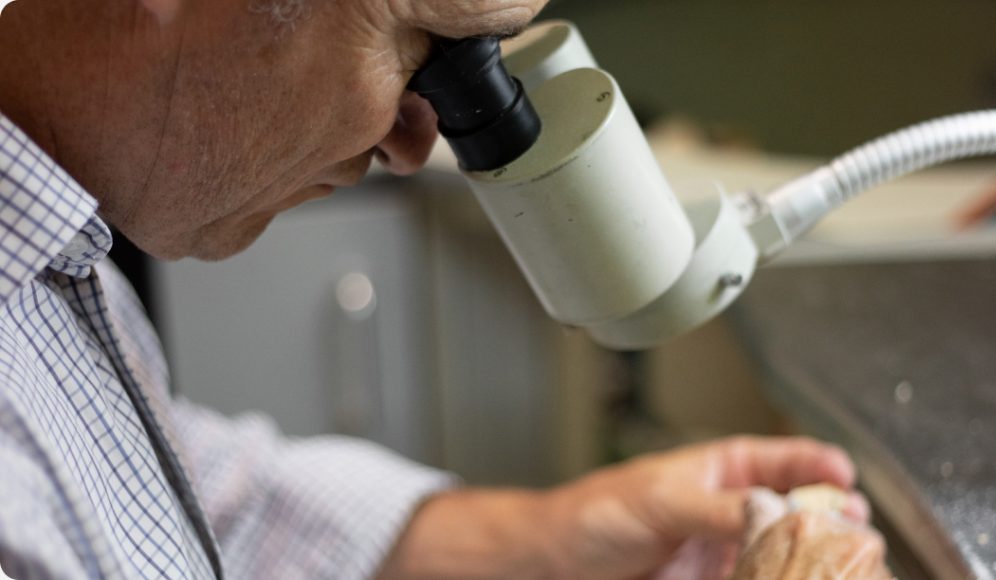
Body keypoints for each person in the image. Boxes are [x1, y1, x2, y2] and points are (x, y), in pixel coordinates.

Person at [0, 0, 886, 578]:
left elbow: (206, 501)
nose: (415, 147)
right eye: (419, 46)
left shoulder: (47, 256)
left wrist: (558, 533)